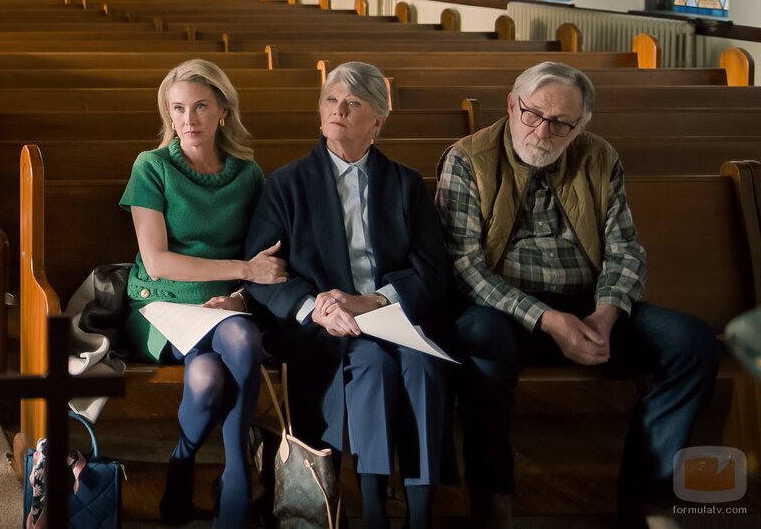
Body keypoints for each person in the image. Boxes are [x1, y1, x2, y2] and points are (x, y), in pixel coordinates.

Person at [436, 61, 717, 527]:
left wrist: (606, 315)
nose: (543, 132)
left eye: (561, 123)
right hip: (503, 309)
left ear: (579, 125)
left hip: (588, 305)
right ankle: (493, 498)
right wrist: (549, 320)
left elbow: (625, 251)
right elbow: (464, 268)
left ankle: (648, 495)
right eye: (533, 115)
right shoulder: (468, 158)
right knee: (479, 340)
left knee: (692, 343)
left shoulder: (599, 156)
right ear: (512, 105)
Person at [244, 61, 451, 529]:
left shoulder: (405, 184)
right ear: (319, 112)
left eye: (353, 103)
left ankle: (421, 513)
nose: (338, 110)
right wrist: (313, 308)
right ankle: (373, 509)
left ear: (377, 119)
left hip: (396, 316)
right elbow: (261, 271)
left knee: (423, 366)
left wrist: (376, 300)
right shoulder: (287, 184)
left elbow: (432, 269)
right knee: (372, 367)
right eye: (331, 100)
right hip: (325, 331)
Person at [119, 59, 279, 528]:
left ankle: (185, 466)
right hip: (161, 304)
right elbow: (157, 261)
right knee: (240, 341)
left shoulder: (248, 174)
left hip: (222, 307)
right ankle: (235, 476)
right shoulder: (152, 167)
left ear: (223, 111)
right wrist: (242, 269)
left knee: (210, 376)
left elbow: (264, 256)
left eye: (201, 107)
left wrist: (242, 294)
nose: (188, 120)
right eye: (178, 109)